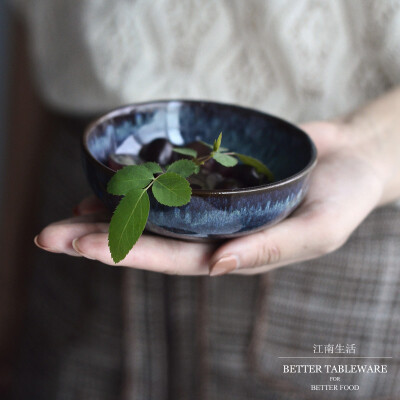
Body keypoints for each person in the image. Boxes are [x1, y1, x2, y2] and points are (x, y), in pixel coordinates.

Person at [2, 1, 400, 399]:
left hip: (336, 227)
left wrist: (371, 142)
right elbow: (38, 28)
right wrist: (8, 262)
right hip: (76, 221)